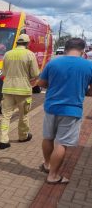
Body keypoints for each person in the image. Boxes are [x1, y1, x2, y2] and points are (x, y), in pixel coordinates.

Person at [38, 38, 92, 184]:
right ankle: (53, 176)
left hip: (51, 107)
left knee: (48, 138)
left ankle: (47, 164)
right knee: (61, 143)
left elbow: (41, 83)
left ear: (66, 48)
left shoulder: (54, 62)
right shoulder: (89, 65)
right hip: (71, 110)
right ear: (82, 50)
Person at [0, 34, 41, 149]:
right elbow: (35, 74)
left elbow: (3, 72)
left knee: (6, 115)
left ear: (17, 42)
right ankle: (23, 136)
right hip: (23, 90)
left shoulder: (7, 54)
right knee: (24, 115)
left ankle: (3, 140)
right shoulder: (30, 55)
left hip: (7, 89)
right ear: (27, 44)